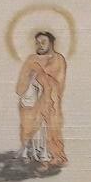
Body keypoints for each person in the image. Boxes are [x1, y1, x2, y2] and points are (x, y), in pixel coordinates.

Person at [14, 30, 67, 168]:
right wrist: (31, 82)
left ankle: (46, 153)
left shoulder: (58, 59)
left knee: (45, 124)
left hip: (49, 101)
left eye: (43, 42)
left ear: (51, 43)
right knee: (29, 120)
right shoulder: (31, 59)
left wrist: (42, 78)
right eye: (37, 43)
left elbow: (58, 82)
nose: (40, 45)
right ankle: (29, 150)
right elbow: (22, 82)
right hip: (31, 100)